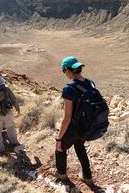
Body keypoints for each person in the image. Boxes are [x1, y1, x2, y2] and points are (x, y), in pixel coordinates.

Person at [55, 56, 94, 186]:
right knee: (80, 146)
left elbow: (67, 118)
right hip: (86, 125)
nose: (64, 73)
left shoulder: (68, 88)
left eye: (63, 70)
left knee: (60, 148)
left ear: (67, 69)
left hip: (73, 127)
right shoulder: (90, 83)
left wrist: (59, 138)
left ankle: (62, 175)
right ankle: (87, 177)